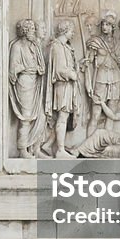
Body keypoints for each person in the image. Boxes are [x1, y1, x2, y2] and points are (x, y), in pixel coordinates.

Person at [83, 12, 120, 134]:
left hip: (115, 78)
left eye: (108, 24)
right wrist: (88, 83)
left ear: (113, 27)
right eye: (103, 24)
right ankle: (89, 145)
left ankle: (105, 144)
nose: (104, 27)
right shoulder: (96, 42)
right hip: (100, 78)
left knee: (111, 114)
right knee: (96, 114)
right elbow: (88, 63)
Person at [8, 18, 46, 158]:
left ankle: (36, 148)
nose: (33, 32)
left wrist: (39, 68)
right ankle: (22, 149)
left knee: (41, 116)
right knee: (26, 117)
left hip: (35, 81)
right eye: (31, 30)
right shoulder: (17, 46)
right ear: (25, 31)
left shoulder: (33, 46)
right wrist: (27, 67)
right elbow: (13, 69)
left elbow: (41, 64)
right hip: (24, 82)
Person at [44, 20, 79, 159]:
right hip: (62, 85)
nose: (73, 33)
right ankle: (60, 150)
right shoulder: (57, 47)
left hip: (67, 85)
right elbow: (58, 69)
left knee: (63, 117)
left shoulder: (66, 47)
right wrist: (71, 74)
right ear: (65, 31)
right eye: (71, 31)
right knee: (63, 117)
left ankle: (48, 145)